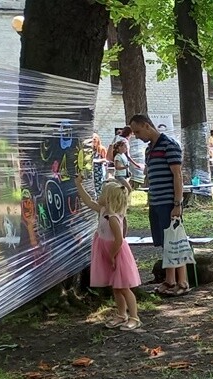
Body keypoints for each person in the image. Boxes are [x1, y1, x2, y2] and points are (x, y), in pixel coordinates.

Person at [74, 176, 142, 331]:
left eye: (102, 193)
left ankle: (134, 317)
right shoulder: (103, 211)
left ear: (109, 199)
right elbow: (88, 201)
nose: (99, 196)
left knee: (124, 287)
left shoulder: (112, 218)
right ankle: (121, 314)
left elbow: (118, 240)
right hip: (107, 251)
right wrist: (79, 185)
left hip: (117, 253)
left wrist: (111, 255)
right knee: (116, 286)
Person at [129, 113, 183, 291]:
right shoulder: (149, 150)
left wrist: (177, 203)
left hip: (168, 201)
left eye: (137, 131)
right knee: (163, 241)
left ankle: (176, 281)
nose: (136, 136)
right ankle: (172, 280)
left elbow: (178, 175)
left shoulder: (169, 145)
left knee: (172, 240)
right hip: (155, 200)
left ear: (146, 126)